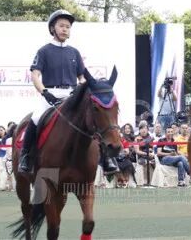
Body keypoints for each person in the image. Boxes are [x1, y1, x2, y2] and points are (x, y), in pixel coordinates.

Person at [18, 9, 118, 175]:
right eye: (61, 26)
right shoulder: (44, 51)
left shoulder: (74, 52)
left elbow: (82, 78)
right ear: (53, 28)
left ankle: (107, 158)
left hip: (72, 95)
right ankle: (26, 156)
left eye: (68, 27)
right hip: (50, 94)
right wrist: (45, 92)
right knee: (35, 118)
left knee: (93, 119)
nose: (65, 29)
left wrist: (85, 91)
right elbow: (35, 75)